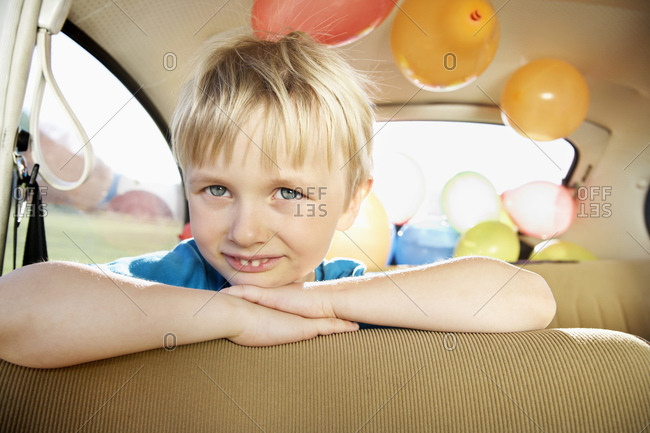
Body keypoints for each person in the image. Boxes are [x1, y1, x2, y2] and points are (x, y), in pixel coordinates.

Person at [0, 32, 556, 369]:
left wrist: (320, 301)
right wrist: (225, 314)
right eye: (216, 190)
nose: (245, 231)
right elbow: (14, 311)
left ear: (350, 203)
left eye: (287, 192)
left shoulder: (347, 292)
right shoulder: (163, 281)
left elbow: (527, 299)